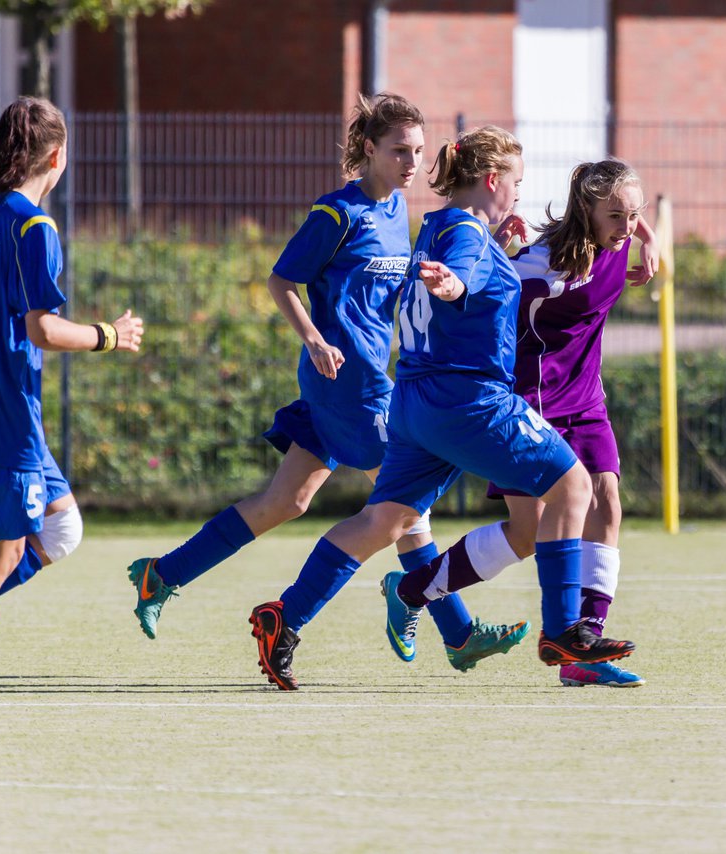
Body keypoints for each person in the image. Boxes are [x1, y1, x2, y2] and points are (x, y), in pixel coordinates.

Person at [123, 93, 527, 689]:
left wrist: (496, 250)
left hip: (366, 379)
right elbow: (281, 280)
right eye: (399, 151)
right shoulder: (337, 213)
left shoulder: (398, 214)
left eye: (418, 152)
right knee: (400, 506)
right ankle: (452, 630)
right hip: (344, 381)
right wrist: (313, 336)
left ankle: (162, 574)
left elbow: (417, 290)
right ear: (369, 149)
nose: (411, 163)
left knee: (284, 503)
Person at [249, 126, 634, 689]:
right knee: (574, 487)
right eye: (518, 184)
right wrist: (452, 283)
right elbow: (456, 278)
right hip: (470, 400)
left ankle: (285, 617)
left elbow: (459, 274)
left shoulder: (432, 225)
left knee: (386, 520)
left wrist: (474, 267)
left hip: (412, 402)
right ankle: (563, 632)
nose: (520, 196)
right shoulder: (466, 236)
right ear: (493, 180)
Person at [0, 96, 144, 730]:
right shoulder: (34, 226)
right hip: (2, 410)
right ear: (56, 158)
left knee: (59, 531)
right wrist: (110, 334)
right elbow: (46, 329)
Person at [485, 159, 656, 687]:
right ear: (587, 209)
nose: (626, 227)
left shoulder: (623, 242)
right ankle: (420, 586)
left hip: (586, 401)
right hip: (529, 401)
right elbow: (479, 289)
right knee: (531, 532)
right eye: (617, 216)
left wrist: (650, 237)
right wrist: (492, 246)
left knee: (607, 501)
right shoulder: (537, 264)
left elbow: (635, 223)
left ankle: (585, 649)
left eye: (635, 215)